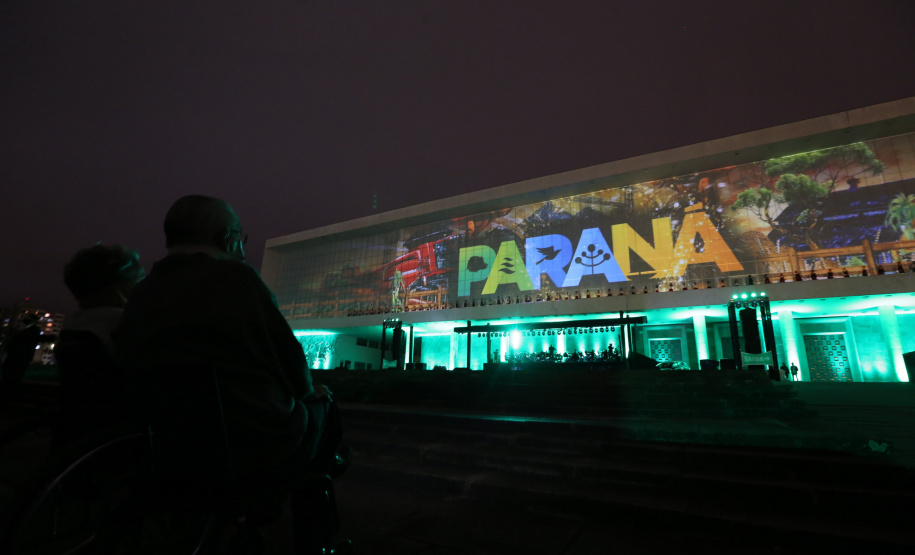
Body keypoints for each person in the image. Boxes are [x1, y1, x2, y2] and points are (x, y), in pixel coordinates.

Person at [115, 195, 346, 554]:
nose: (242, 248)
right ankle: (317, 539)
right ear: (227, 238)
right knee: (324, 417)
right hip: (246, 436)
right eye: (241, 238)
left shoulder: (143, 291)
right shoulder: (236, 279)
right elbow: (286, 352)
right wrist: (307, 390)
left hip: (163, 436)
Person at [55, 244, 145, 446]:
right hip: (119, 437)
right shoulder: (127, 325)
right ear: (122, 286)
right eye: (140, 278)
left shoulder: (75, 324)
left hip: (76, 434)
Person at [0, 313, 42, 403]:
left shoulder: (33, 330)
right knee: (9, 376)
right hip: (15, 356)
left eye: (29, 318)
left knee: (13, 377)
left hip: (20, 357)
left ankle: (8, 397)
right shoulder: (25, 329)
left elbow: (27, 340)